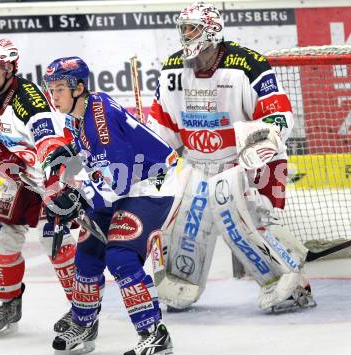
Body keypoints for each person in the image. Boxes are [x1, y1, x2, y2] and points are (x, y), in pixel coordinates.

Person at [146, 1, 316, 313]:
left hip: (248, 163)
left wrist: (260, 144)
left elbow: (278, 115)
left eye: (192, 27)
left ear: (211, 29)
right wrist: (146, 156)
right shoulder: (173, 69)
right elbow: (163, 127)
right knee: (187, 222)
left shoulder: (247, 64)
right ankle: (182, 281)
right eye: (182, 28)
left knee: (237, 218)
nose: (185, 34)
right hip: (199, 161)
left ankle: (292, 284)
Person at [41, 56, 178, 355]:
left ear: (78, 87)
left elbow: (118, 177)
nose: (55, 96)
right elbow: (89, 157)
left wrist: (77, 196)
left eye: (60, 88)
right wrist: (66, 164)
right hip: (119, 186)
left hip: (150, 185)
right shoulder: (76, 114)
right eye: (51, 89)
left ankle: (155, 334)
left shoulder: (99, 114)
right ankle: (85, 325)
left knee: (120, 255)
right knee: (88, 254)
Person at [0, 38, 77, 338]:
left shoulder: (29, 99)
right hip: (23, 176)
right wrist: (6, 164)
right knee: (2, 240)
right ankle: (9, 304)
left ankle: (81, 309)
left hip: (59, 169)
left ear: (10, 68)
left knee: (54, 242)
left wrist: (56, 183)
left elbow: (53, 146)